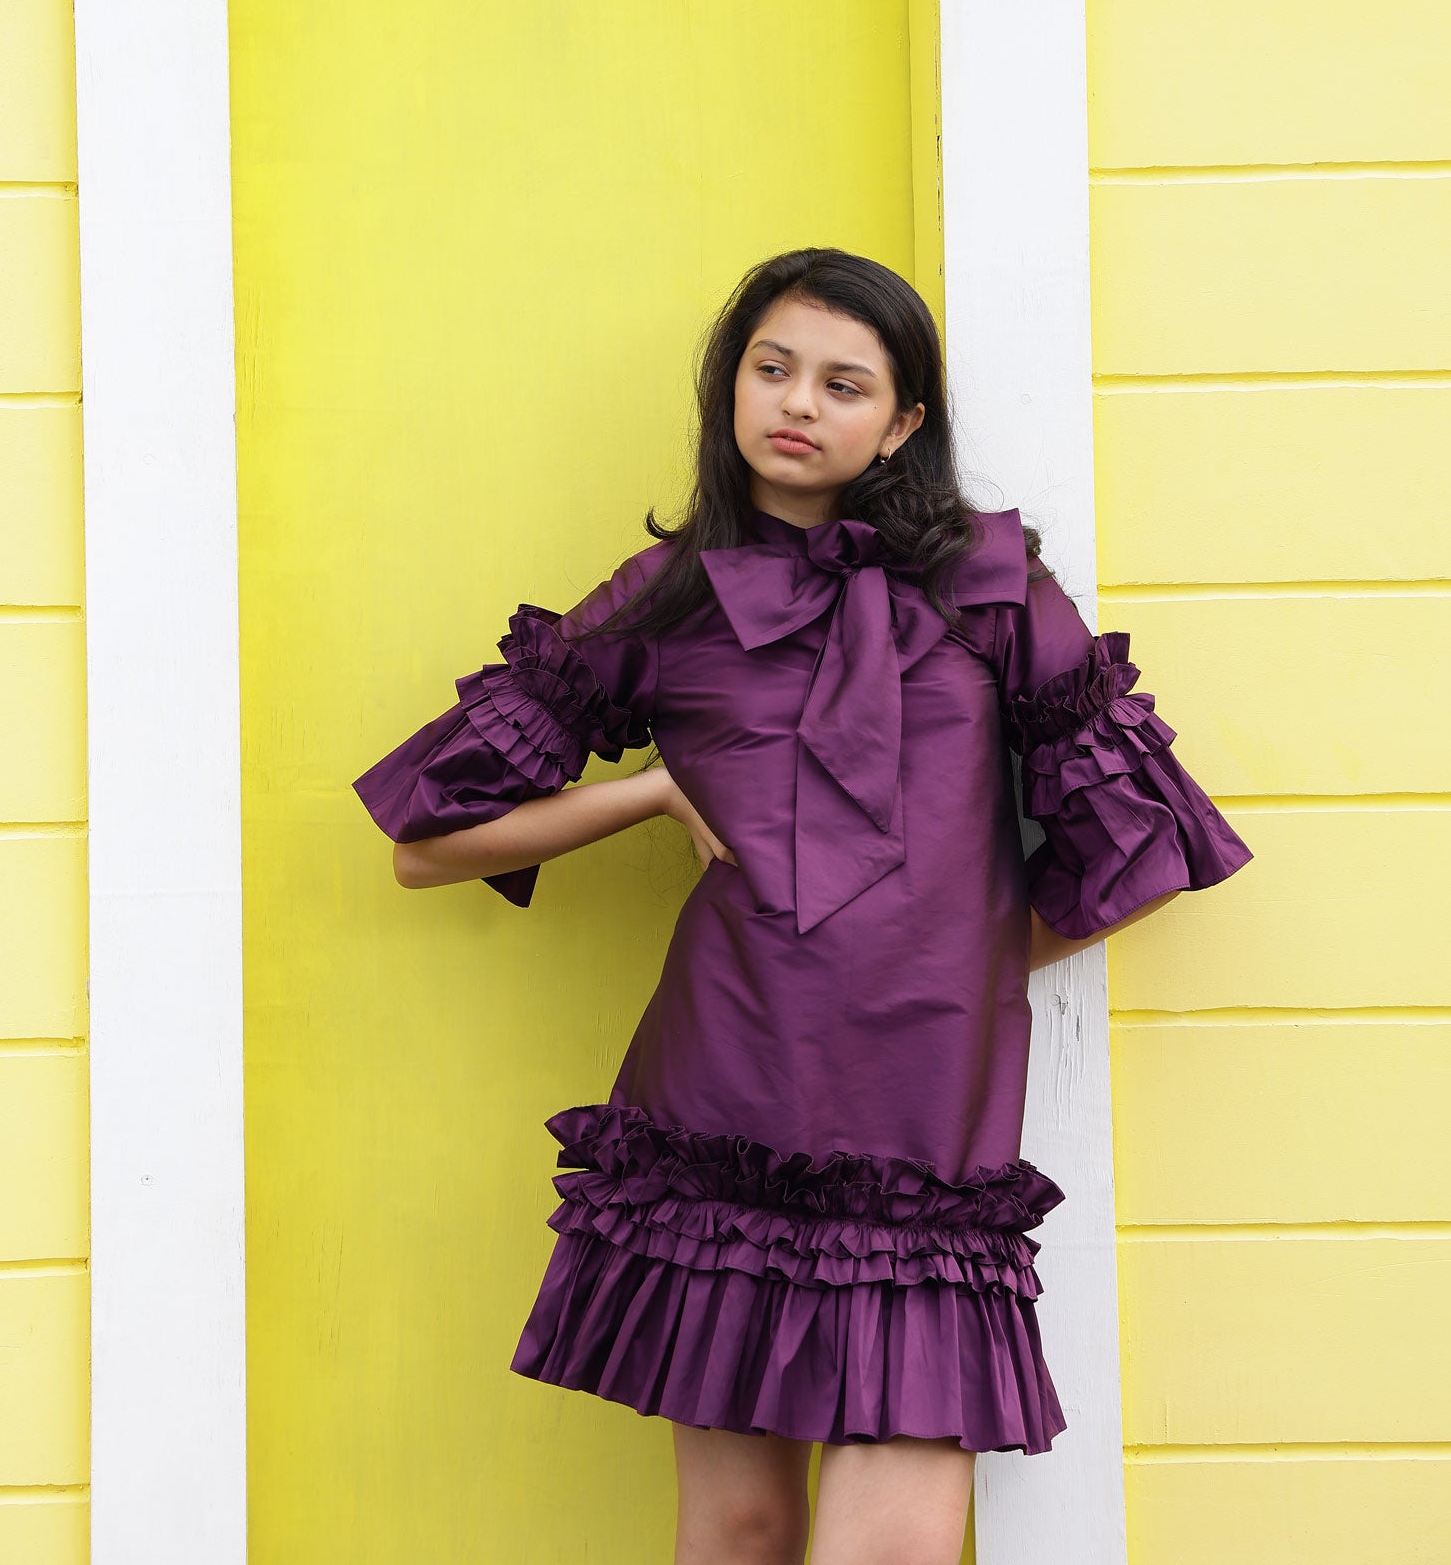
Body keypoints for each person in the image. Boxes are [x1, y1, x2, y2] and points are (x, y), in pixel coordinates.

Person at [353, 247, 1252, 1565]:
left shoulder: (997, 590)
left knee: (886, 1546)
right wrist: (648, 795)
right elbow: (426, 845)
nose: (797, 403)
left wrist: (970, 955)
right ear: (731, 387)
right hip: (724, 1099)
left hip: (926, 1125)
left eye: (843, 383)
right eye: (771, 368)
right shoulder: (669, 596)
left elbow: (1140, 847)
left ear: (899, 424)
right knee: (743, 1528)